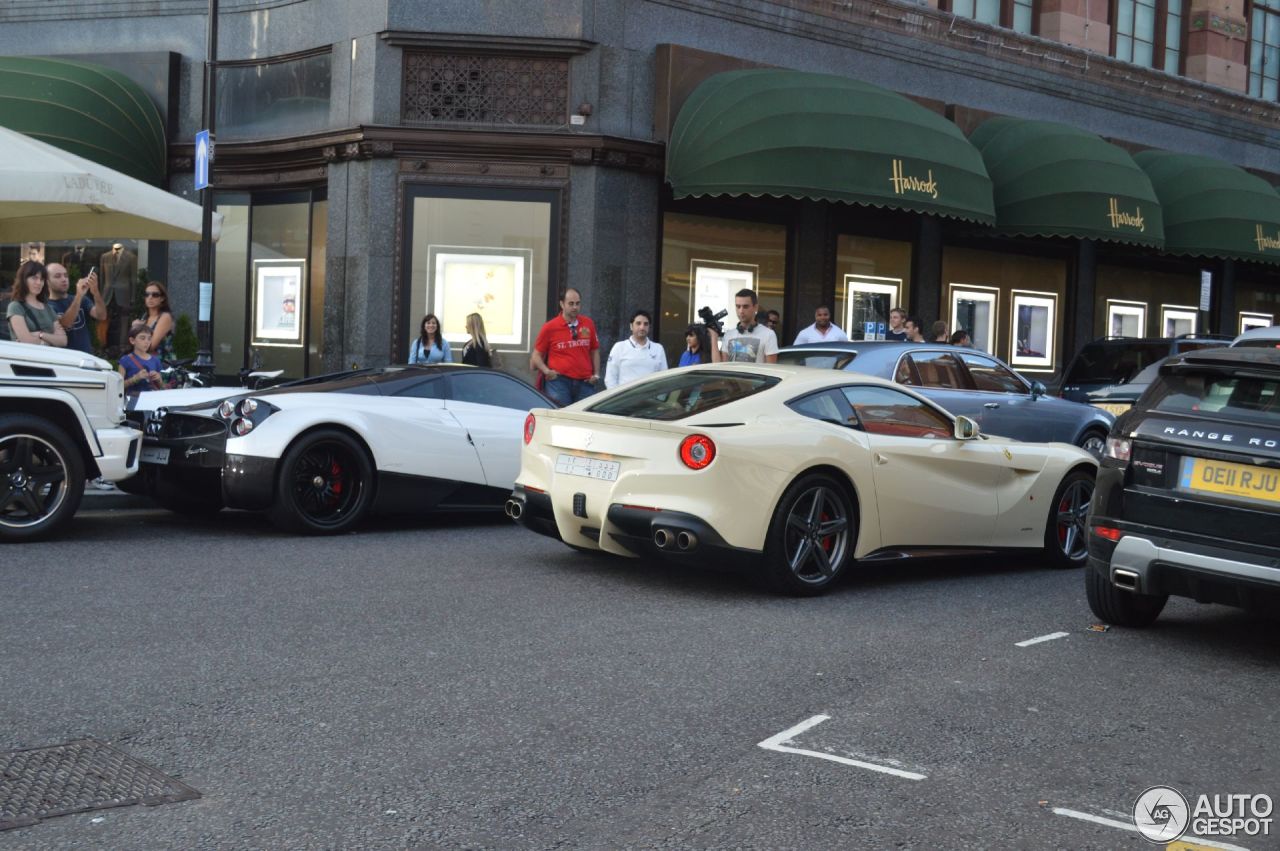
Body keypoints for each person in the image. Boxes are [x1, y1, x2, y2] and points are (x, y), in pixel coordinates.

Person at [531, 287, 601, 405]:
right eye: (571, 304)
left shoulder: (588, 323)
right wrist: (547, 371)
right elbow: (536, 355)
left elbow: (594, 351)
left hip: (585, 382)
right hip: (559, 382)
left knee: (583, 420)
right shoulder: (550, 327)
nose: (575, 307)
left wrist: (597, 375)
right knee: (561, 416)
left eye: (578, 304)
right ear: (562, 304)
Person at [47, 262, 106, 354]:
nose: (64, 279)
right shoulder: (46, 306)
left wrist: (95, 292)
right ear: (47, 281)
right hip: (63, 359)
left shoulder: (82, 299)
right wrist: (79, 296)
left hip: (85, 357)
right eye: (57, 276)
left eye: (66, 276)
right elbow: (65, 324)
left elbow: (101, 316)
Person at [6, 261, 68, 348]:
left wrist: (41, 334)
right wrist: (51, 341)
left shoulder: (48, 308)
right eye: (34, 278)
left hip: (49, 360)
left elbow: (63, 341)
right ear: (24, 280)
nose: (39, 283)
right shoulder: (15, 307)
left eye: (42, 279)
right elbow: (26, 341)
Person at [711, 288, 779, 363]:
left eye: (745, 306)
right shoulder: (728, 335)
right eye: (738, 306)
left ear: (755, 307)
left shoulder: (768, 335)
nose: (741, 311)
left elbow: (771, 369)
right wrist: (714, 337)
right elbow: (721, 367)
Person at [605, 309, 667, 388]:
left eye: (646, 324)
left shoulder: (658, 348)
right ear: (631, 326)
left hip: (651, 398)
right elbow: (610, 379)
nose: (642, 327)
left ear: (649, 327)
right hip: (626, 398)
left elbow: (663, 378)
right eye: (638, 323)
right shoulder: (619, 347)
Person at [118, 322, 165, 396]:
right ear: (132, 341)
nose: (147, 342)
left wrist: (159, 380)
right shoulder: (125, 360)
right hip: (133, 401)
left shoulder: (156, 360)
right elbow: (118, 386)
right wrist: (135, 378)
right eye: (142, 338)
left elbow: (163, 387)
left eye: (149, 339)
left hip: (153, 400)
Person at [138, 281, 175, 362]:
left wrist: (136, 328)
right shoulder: (145, 317)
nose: (150, 297)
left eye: (155, 295)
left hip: (162, 364)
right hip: (145, 361)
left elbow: (150, 345)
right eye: (147, 294)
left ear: (162, 298)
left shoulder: (165, 317)